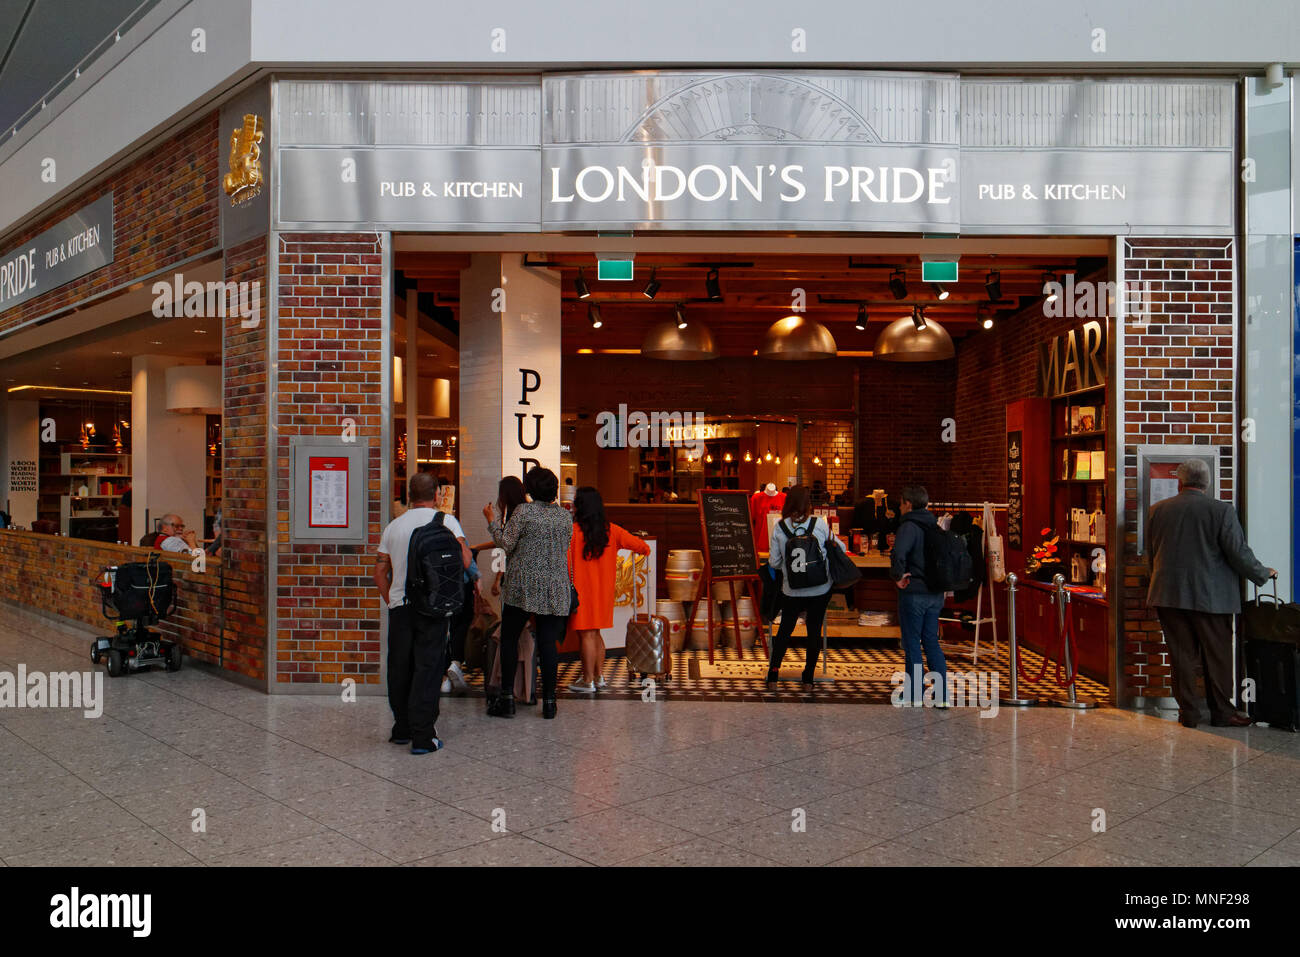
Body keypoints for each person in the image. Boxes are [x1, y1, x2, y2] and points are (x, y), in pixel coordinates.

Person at [1146, 458, 1275, 729]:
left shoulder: (1158, 510)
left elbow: (1152, 552)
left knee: (1181, 656)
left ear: (1179, 482)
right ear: (1207, 482)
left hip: (1168, 594)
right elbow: (1238, 553)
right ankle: (1222, 713)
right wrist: (1262, 573)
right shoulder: (1221, 511)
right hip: (1211, 598)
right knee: (1216, 656)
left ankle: (1189, 713)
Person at [373, 472, 471, 754]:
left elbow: (379, 571)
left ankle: (401, 728)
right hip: (434, 608)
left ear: (408, 497)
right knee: (427, 669)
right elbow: (465, 561)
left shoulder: (393, 527)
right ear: (437, 495)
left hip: (400, 607)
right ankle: (423, 736)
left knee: (400, 667)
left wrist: (391, 600)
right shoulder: (447, 522)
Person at [485, 467, 573, 719]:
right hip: (555, 586)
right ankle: (549, 703)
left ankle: (507, 700)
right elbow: (563, 547)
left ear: (531, 490)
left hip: (522, 586)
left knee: (510, 638)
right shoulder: (564, 517)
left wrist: (492, 521)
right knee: (547, 643)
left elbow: (506, 543)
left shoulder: (524, 512)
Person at [567, 486, 650, 693]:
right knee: (595, 633)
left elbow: (566, 564)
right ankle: (599, 676)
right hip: (603, 594)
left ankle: (587, 681)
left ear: (580, 507)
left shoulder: (573, 532)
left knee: (586, 635)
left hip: (580, 593)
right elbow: (643, 547)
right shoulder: (612, 530)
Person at [766, 485, 832, 693]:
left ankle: (773, 675)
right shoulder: (819, 524)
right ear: (809, 504)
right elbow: (836, 546)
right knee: (814, 630)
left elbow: (774, 562)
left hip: (792, 589)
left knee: (785, 629)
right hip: (820, 588)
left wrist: (788, 567)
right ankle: (808, 679)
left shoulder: (780, 527)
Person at [889, 484, 948, 707]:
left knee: (912, 642)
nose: (900, 507)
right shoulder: (935, 525)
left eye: (901, 503)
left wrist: (897, 576)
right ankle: (941, 694)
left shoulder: (909, 526)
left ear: (908, 504)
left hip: (914, 592)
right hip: (935, 593)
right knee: (931, 641)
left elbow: (899, 553)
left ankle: (914, 692)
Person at [487, 476, 528, 603]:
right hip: (526, 579)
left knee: (511, 620)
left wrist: (490, 520)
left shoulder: (515, 514)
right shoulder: (525, 511)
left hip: (516, 580)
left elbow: (505, 546)